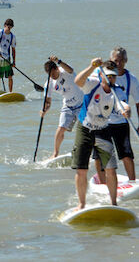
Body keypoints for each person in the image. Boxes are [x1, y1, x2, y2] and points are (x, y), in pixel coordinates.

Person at [72, 58, 129, 210]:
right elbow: (77, 81)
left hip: (103, 131)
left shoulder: (117, 90)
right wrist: (91, 66)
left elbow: (121, 104)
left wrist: (126, 110)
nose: (111, 79)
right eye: (108, 75)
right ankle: (81, 204)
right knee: (82, 169)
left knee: (111, 169)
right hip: (85, 129)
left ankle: (114, 204)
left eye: (114, 76)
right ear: (102, 75)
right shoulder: (92, 83)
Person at [94, 47, 138, 182]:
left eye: (120, 61)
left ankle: (132, 182)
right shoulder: (100, 73)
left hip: (121, 122)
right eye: (115, 61)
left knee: (126, 155)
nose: (117, 64)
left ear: (126, 61)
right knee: (99, 155)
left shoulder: (131, 79)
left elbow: (138, 103)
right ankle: (102, 183)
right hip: (102, 122)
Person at [39, 56, 83, 158]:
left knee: (86, 129)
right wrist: (44, 110)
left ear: (57, 69)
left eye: (53, 74)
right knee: (60, 129)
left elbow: (71, 69)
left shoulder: (66, 71)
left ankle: (92, 151)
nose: (52, 76)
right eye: (50, 75)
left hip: (81, 104)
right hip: (68, 106)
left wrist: (58, 61)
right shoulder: (49, 84)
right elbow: (48, 101)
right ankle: (55, 153)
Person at [0, 19, 16, 96]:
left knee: (10, 76)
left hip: (7, 58)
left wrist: (14, 61)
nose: (8, 28)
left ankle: (10, 92)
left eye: (10, 27)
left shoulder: (12, 36)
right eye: (7, 26)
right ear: (5, 25)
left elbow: (13, 49)